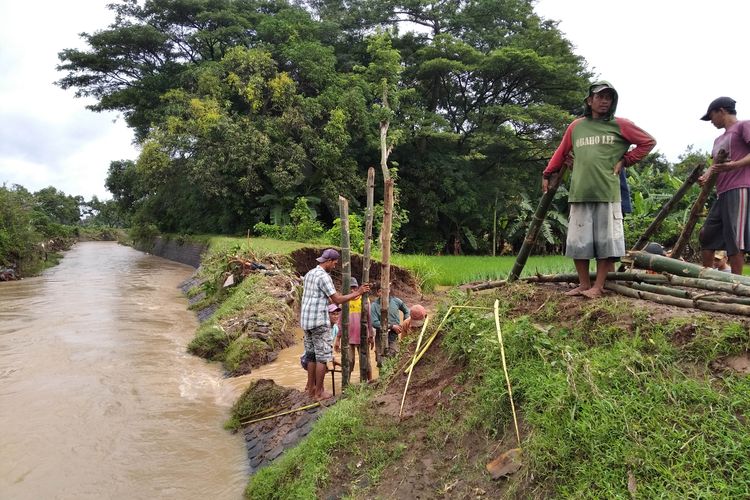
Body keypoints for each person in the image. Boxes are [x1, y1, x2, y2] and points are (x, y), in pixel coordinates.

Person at [542, 81, 656, 298]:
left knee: (607, 243)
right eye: (600, 96)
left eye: (609, 97)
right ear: (589, 100)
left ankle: (599, 286)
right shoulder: (576, 127)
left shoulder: (621, 125)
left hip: (607, 192)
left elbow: (648, 142)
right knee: (579, 241)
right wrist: (548, 173)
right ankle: (584, 284)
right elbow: (561, 151)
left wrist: (627, 160)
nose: (605, 101)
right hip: (580, 192)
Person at [300, 248, 370, 401]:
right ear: (329, 261)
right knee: (322, 357)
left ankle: (311, 389)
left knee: (311, 355)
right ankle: (319, 392)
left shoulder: (310, 274)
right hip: (319, 321)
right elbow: (337, 300)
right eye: (335, 263)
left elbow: (328, 299)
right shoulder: (324, 277)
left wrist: (348, 295)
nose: (335, 266)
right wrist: (357, 292)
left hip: (306, 321)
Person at [698, 96, 750, 275]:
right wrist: (706, 175)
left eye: (711, 116)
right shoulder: (717, 140)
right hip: (721, 192)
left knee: (735, 238)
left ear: (722, 111)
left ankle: (736, 284)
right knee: (706, 234)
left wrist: (735, 165)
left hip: (739, 188)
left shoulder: (744, 126)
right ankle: (706, 278)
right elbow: (715, 165)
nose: (711, 121)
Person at [334, 277, 373, 380]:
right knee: (348, 362)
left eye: (354, 288)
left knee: (366, 363)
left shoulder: (365, 300)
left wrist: (371, 335)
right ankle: (346, 385)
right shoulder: (345, 302)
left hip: (363, 336)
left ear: (358, 288)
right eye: (350, 288)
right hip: (348, 338)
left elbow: (369, 319)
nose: (352, 290)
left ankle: (368, 383)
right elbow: (340, 322)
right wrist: (338, 339)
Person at [369, 281, 410, 356]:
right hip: (380, 335)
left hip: (393, 335)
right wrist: (391, 326)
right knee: (381, 358)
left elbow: (407, 311)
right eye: (382, 291)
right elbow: (374, 323)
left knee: (393, 354)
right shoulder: (374, 306)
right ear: (378, 292)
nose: (386, 292)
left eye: (387, 289)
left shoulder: (396, 301)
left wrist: (405, 323)